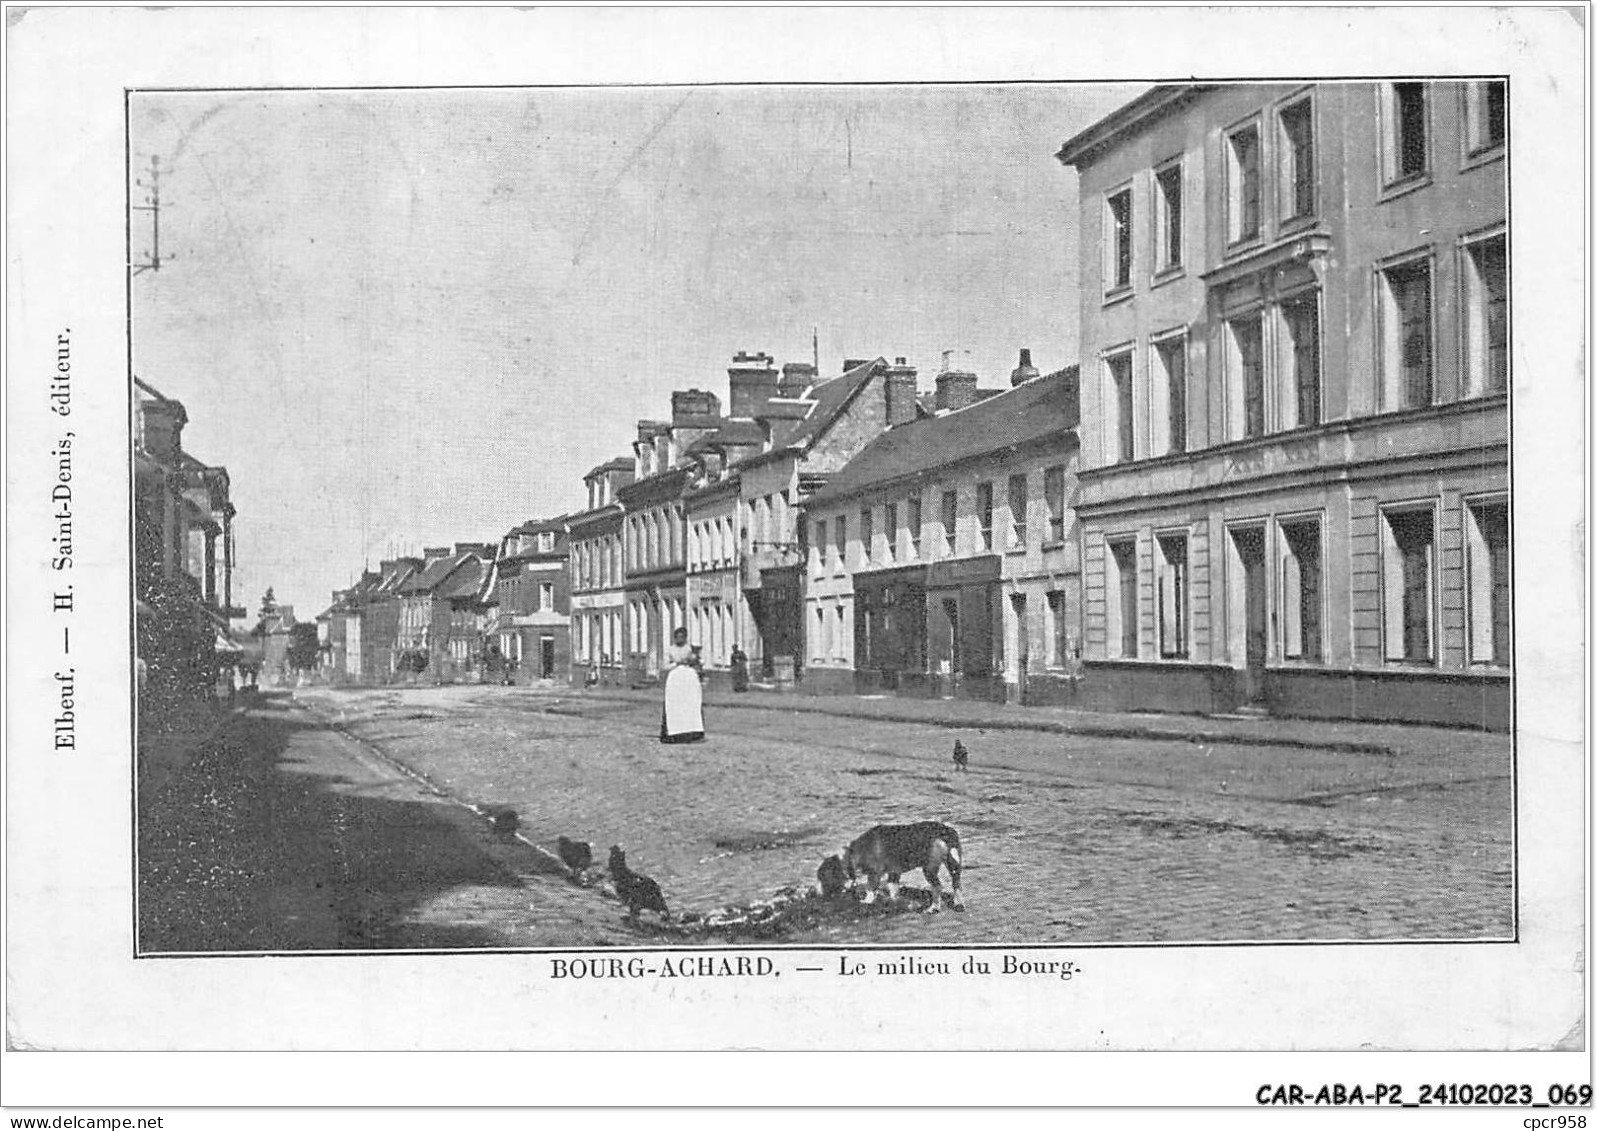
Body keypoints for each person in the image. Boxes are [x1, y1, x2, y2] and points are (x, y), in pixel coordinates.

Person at [660, 627, 705, 743]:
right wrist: (676, 663)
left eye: (682, 637)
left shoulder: (690, 649)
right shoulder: (670, 650)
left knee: (691, 703)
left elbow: (700, 662)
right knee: (674, 704)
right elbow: (664, 666)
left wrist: (694, 660)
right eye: (678, 637)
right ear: (675, 638)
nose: (680, 639)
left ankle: (692, 731)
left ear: (685, 637)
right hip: (675, 678)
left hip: (689, 678)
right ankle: (673, 732)